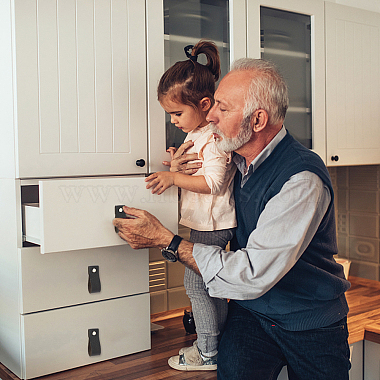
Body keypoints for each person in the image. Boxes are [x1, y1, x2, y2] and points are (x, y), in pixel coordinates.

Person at [113, 58, 352, 380]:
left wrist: (166, 240)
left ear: (257, 120)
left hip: (308, 321)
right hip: (251, 314)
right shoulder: (237, 160)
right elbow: (210, 182)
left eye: (222, 109)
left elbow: (251, 274)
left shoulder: (300, 179)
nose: (209, 115)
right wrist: (181, 170)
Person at [145, 40, 236, 371]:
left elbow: (212, 183)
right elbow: (195, 172)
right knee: (210, 284)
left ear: (205, 104)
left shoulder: (212, 138)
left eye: (177, 113)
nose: (173, 121)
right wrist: (176, 166)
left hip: (213, 224)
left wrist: (173, 179)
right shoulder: (196, 135)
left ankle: (209, 351)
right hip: (205, 223)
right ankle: (218, 343)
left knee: (197, 284)